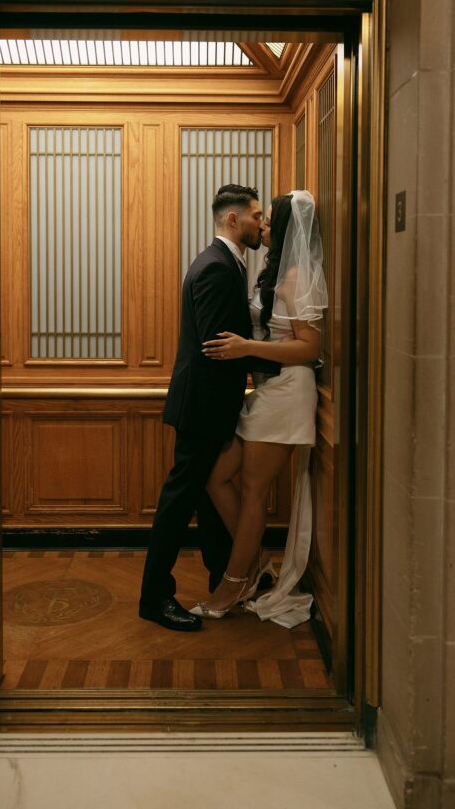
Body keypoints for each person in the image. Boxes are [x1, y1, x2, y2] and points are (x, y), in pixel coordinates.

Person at [190, 190, 328, 626]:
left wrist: (247, 347)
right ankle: (254, 563)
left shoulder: (299, 278)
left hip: (289, 391)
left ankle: (234, 583)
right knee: (217, 476)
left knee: (252, 490)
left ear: (286, 228)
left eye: (269, 221)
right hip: (266, 390)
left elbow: (310, 347)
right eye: (259, 219)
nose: (263, 226)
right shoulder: (276, 274)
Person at [138, 184, 266, 631]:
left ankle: (221, 578)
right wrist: (277, 360)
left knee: (207, 499)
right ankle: (154, 597)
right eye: (256, 215)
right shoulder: (215, 268)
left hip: (210, 404)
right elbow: (217, 343)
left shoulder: (222, 262)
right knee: (178, 502)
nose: (260, 223)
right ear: (233, 220)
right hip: (202, 406)